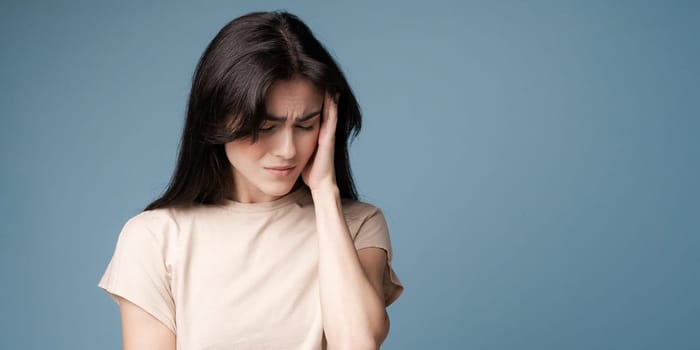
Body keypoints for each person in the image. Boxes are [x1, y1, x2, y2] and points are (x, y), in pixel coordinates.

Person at [97, 10, 404, 350]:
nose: (287, 150)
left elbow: (357, 344)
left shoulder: (357, 226)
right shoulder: (154, 238)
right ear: (217, 117)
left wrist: (325, 193)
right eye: (266, 127)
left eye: (306, 125)